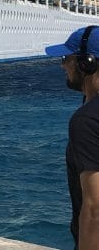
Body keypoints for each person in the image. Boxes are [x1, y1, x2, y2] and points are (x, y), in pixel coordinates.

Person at [46, 26, 99, 249]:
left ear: (86, 62)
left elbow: (96, 208)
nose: (63, 65)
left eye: (67, 58)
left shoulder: (87, 120)